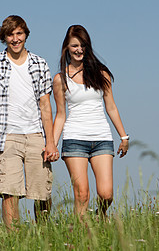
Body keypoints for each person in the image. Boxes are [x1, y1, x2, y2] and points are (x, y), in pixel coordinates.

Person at [0, 15, 59, 229]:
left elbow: (46, 105)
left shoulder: (40, 64)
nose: (15, 39)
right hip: (7, 136)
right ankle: (14, 239)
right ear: (4, 37)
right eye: (10, 34)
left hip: (36, 135)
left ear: (26, 35)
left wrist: (50, 142)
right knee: (9, 192)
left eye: (19, 33)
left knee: (42, 192)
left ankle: (43, 234)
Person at [53, 25, 129, 217]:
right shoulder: (60, 79)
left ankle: (100, 215)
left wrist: (124, 136)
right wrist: (52, 144)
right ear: (67, 48)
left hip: (101, 138)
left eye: (83, 45)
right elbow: (60, 114)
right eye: (75, 45)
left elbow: (111, 106)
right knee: (82, 195)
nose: (79, 50)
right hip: (75, 139)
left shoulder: (100, 73)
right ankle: (81, 236)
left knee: (106, 194)